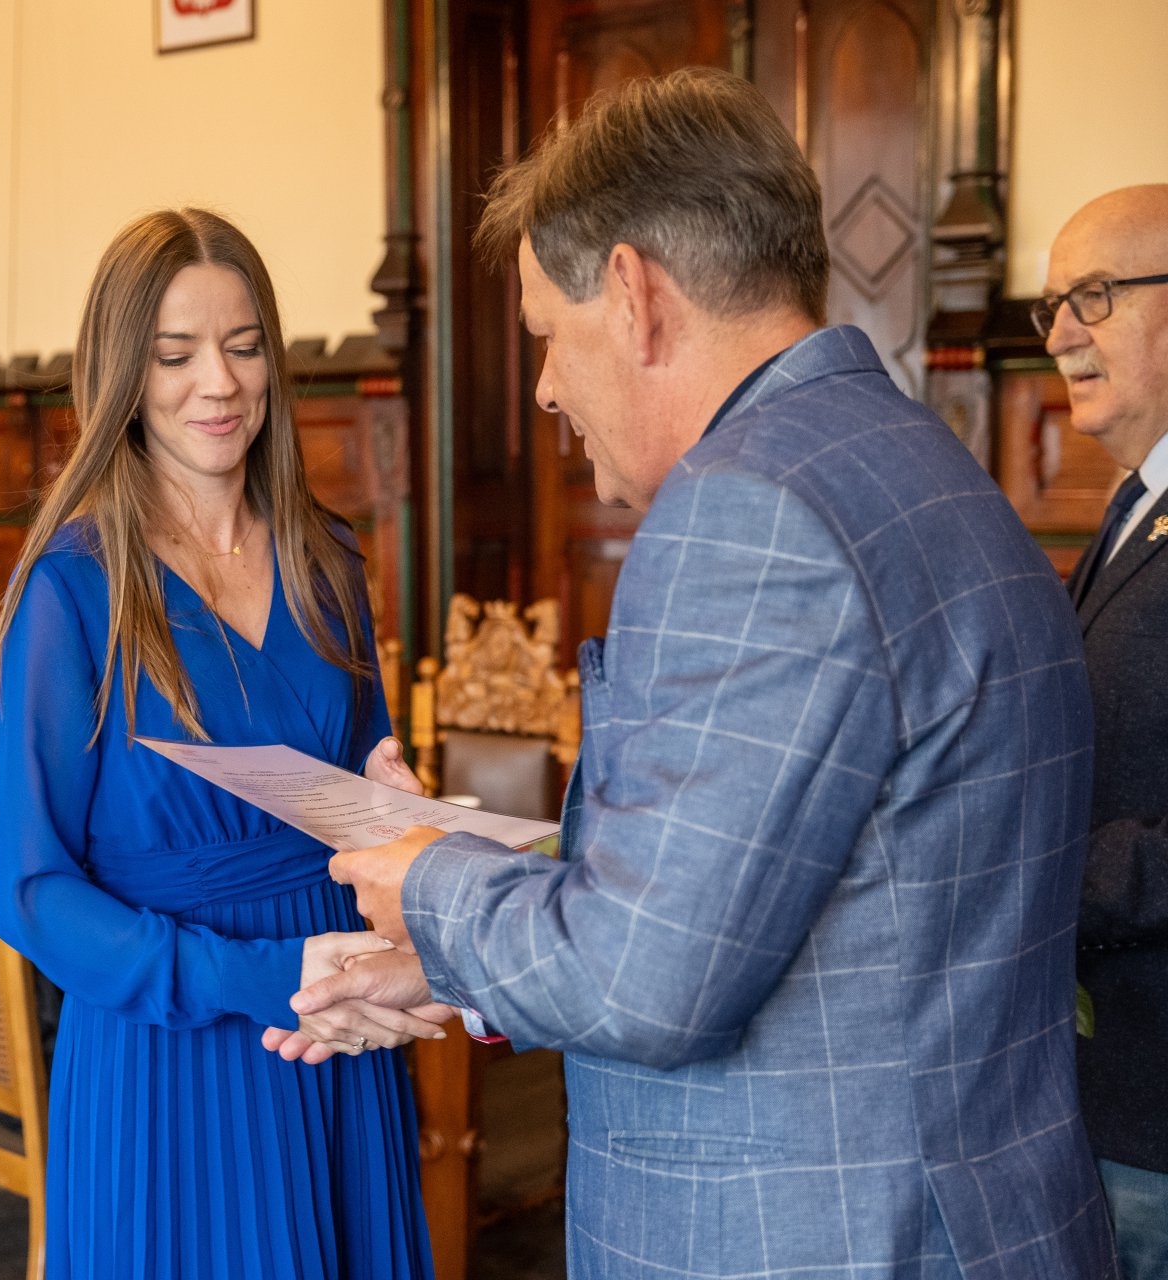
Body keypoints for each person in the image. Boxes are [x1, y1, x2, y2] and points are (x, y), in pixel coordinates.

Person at [289, 70, 1115, 1278]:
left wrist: (430, 879)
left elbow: (650, 976)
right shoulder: (926, 466)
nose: (544, 385)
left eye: (546, 332)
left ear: (633, 294)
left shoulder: (748, 508)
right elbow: (788, 906)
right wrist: (455, 967)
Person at [0, 208, 448, 1278]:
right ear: (122, 374)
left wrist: (392, 807)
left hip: (333, 1023)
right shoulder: (74, 587)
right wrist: (253, 973)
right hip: (166, 1047)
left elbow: (367, 790)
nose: (220, 383)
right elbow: (30, 890)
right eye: (176, 354)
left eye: (244, 347)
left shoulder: (330, 560)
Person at [1041, 183, 1168, 1278]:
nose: (1060, 335)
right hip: (1100, 1086)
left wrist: (1038, 869)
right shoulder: (1136, 502)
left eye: (1096, 295)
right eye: (1052, 307)